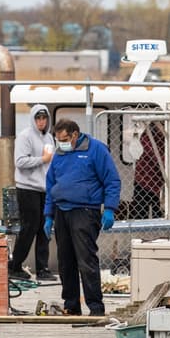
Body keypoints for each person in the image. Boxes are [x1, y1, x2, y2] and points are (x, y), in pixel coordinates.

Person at [44, 118, 121, 316]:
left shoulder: (96, 150)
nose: (61, 143)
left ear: (75, 135)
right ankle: (71, 305)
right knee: (65, 261)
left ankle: (95, 307)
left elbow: (112, 180)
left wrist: (110, 208)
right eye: (58, 140)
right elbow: (51, 185)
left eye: (64, 139)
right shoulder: (60, 154)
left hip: (85, 211)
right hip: (62, 211)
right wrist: (48, 215)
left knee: (86, 260)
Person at [10, 105, 57, 281]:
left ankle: (42, 268)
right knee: (29, 228)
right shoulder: (25, 137)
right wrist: (42, 159)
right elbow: (20, 161)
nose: (41, 122)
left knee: (44, 229)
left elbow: (51, 162)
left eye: (44, 118)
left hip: (45, 189)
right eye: (38, 118)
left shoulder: (49, 138)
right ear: (33, 119)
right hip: (27, 188)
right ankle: (15, 266)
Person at [127, 121, 166, 219]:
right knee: (140, 212)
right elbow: (154, 155)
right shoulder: (147, 137)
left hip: (160, 181)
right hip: (144, 180)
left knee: (159, 214)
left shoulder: (167, 139)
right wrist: (168, 162)